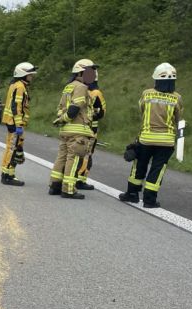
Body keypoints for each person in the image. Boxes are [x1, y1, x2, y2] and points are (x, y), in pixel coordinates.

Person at [118, 63, 183, 208]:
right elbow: (178, 118)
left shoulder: (147, 94)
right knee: (157, 169)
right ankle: (149, 200)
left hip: (146, 138)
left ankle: (132, 194)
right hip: (166, 141)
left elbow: (142, 110)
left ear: (156, 79)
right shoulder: (177, 98)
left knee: (139, 165)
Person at [49, 59, 97, 199]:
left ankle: (55, 186)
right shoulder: (81, 87)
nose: (92, 75)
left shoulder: (68, 87)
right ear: (81, 73)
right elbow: (75, 107)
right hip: (78, 130)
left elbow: (60, 108)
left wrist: (61, 119)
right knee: (74, 158)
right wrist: (66, 118)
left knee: (62, 157)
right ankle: (68, 190)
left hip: (66, 130)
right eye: (89, 72)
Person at [0, 62, 38, 186]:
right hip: (14, 123)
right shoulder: (20, 87)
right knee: (12, 149)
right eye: (30, 74)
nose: (32, 77)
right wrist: (19, 125)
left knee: (12, 148)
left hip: (12, 121)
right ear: (23, 74)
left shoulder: (15, 85)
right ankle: (7, 176)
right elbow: (16, 107)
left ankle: (9, 173)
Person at [75, 74, 106, 190]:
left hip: (76, 126)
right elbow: (102, 112)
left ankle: (71, 176)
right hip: (91, 129)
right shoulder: (96, 93)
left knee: (74, 152)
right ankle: (80, 180)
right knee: (86, 155)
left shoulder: (78, 89)